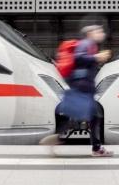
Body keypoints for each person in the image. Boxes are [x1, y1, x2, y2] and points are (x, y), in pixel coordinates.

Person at [40, 24, 114, 157]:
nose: (101, 33)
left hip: (83, 85)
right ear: (90, 33)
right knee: (91, 117)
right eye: (98, 31)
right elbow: (78, 58)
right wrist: (96, 57)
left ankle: (59, 139)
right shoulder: (86, 43)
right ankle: (94, 148)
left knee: (87, 117)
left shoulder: (90, 45)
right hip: (83, 86)